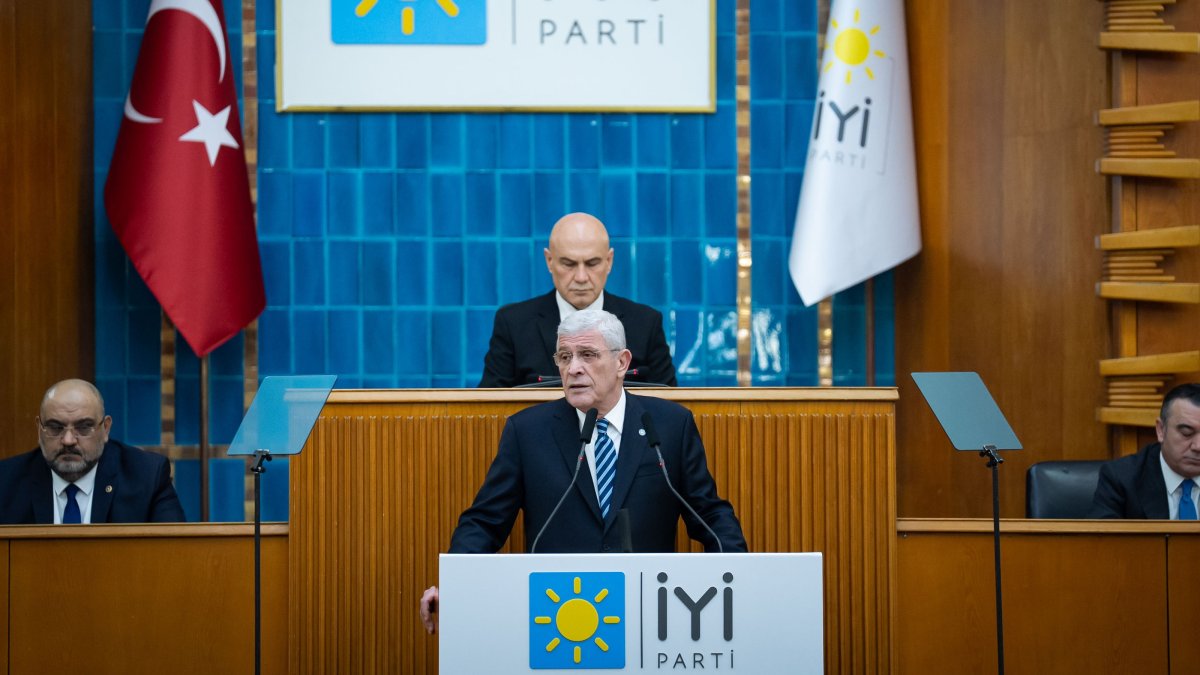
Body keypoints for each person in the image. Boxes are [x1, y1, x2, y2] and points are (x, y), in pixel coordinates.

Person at [422, 309, 744, 633]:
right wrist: (454, 584)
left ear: (622, 362)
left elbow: (709, 514)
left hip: (648, 612)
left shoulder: (669, 425)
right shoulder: (528, 432)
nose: (573, 368)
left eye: (587, 355)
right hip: (559, 616)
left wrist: (743, 575)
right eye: (565, 356)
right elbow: (485, 522)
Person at [477, 212, 677, 388]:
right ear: (549, 261)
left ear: (609, 261)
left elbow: (670, 407)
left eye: (592, 263)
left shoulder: (645, 323)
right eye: (569, 264)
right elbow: (489, 406)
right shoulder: (513, 324)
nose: (581, 277)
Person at [0, 378, 185, 524]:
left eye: (83, 427)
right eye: (55, 427)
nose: (68, 440)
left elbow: (175, 555)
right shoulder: (6, 481)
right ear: (39, 430)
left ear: (105, 429)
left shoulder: (146, 476)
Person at [1090, 382, 1200, 519]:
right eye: (1186, 433)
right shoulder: (1121, 479)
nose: (1198, 446)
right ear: (1161, 430)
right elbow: (1104, 539)